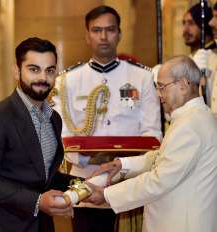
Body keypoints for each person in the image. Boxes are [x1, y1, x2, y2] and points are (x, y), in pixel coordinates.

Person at [53, 5, 161, 232]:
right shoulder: (67, 81)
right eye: (96, 30)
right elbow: (60, 134)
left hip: (130, 183)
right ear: (87, 35)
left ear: (119, 34)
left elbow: (153, 134)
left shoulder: (141, 77)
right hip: (85, 180)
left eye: (110, 30)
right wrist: (85, 157)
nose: (103, 36)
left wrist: (123, 164)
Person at [85, 55, 217, 232]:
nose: (158, 94)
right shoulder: (197, 116)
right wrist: (123, 164)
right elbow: (163, 156)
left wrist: (107, 195)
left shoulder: (190, 125)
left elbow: (159, 180)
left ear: (183, 85)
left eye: (162, 87)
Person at [0, 37, 74, 232]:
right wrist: (37, 201)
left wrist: (85, 184)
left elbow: (42, 176)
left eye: (50, 70)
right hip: (5, 226)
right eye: (34, 69)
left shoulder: (54, 118)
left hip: (44, 226)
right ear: (17, 71)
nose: (43, 78)